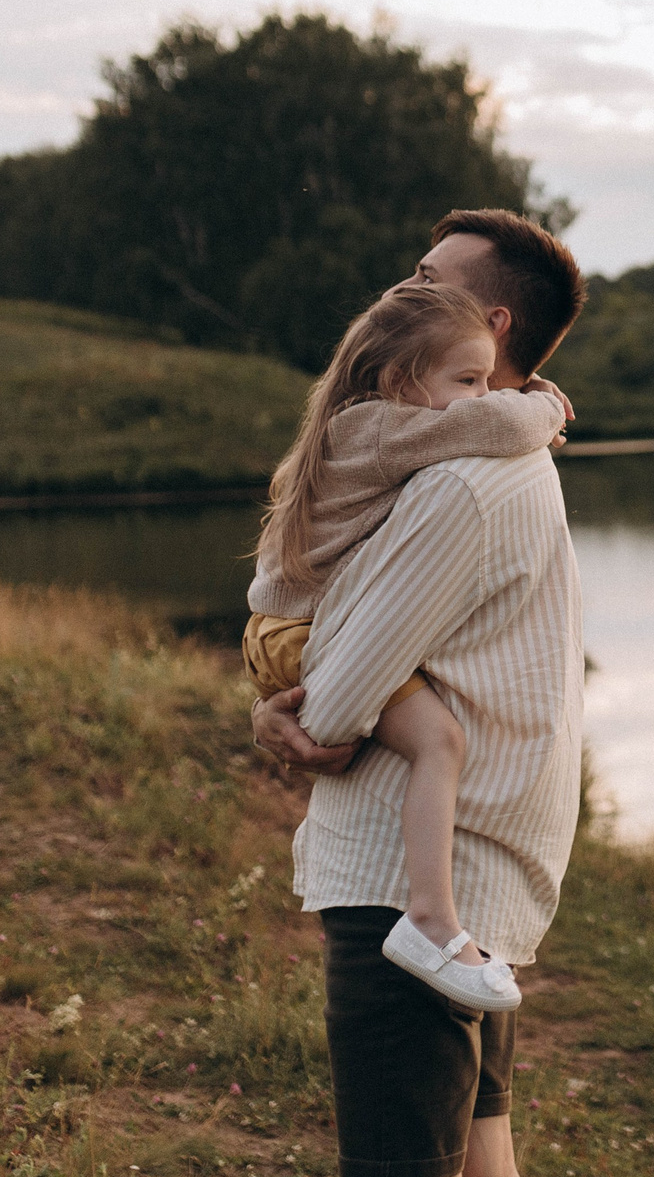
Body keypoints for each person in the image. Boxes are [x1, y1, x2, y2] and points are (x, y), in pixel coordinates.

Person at [251, 207, 588, 1177]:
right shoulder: (499, 466)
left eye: (430, 279)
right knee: (488, 1173)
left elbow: (337, 700)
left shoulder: (460, 491)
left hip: (409, 891)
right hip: (467, 897)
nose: (404, 290)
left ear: (490, 320)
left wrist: (283, 702)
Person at [243, 280, 571, 1013]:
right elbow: (494, 430)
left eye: (488, 380)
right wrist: (544, 400)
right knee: (441, 742)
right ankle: (429, 918)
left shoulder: (363, 423)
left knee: (436, 739)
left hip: (282, 630)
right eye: (467, 380)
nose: (481, 396)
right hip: (297, 638)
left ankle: (433, 916)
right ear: (400, 380)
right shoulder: (387, 428)